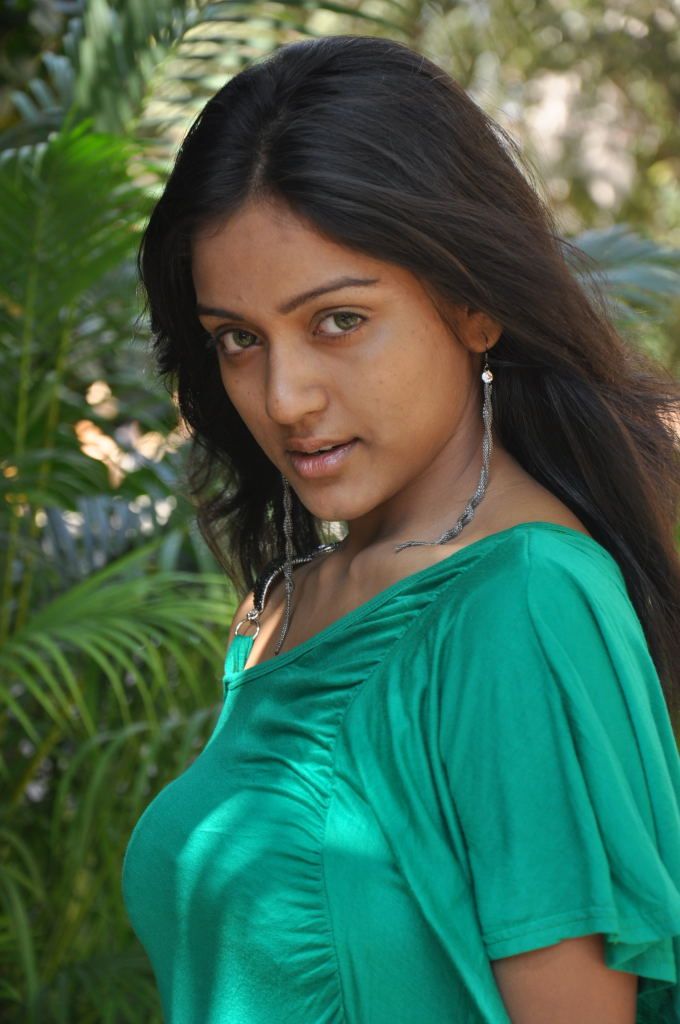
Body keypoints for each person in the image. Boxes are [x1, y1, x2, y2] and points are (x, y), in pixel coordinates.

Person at [121, 33, 680, 1024]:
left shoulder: (522, 605)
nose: (284, 397)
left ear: (473, 305)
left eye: (337, 320)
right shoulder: (289, 604)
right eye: (237, 339)